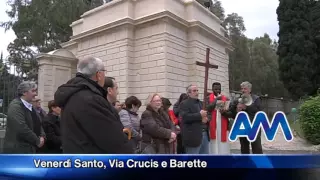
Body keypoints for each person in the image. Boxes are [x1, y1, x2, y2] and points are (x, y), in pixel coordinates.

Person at [54, 56, 133, 154]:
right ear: (99, 75)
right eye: (104, 72)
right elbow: (112, 139)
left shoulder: (73, 94)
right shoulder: (91, 99)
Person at [3, 81, 46, 154]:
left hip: (30, 148)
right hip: (18, 150)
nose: (36, 94)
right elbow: (21, 128)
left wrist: (42, 136)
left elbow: (39, 123)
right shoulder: (15, 106)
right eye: (33, 91)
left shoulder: (30, 106)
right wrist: (37, 140)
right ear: (24, 93)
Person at [180, 84, 209, 154]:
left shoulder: (201, 103)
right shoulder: (184, 103)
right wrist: (199, 115)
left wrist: (207, 118)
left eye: (197, 90)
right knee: (193, 161)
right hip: (193, 137)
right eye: (194, 91)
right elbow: (185, 117)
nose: (197, 92)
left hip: (204, 135)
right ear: (188, 93)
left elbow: (208, 113)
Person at [206, 82, 230, 154]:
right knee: (213, 141)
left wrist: (224, 112)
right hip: (212, 122)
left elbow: (229, 113)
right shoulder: (208, 98)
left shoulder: (225, 98)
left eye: (219, 89)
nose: (217, 91)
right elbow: (208, 109)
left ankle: (223, 155)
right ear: (212, 89)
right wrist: (216, 100)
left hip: (222, 122)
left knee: (222, 142)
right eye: (216, 89)